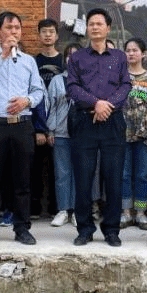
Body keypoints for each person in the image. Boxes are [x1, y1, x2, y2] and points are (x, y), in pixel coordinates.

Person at [0, 11, 45, 245]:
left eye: (17, 28)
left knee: (22, 181)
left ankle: (22, 228)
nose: (14, 32)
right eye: (9, 27)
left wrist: (27, 101)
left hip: (22, 125)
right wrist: (3, 55)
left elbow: (39, 91)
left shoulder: (28, 61)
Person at [66, 8, 131, 247]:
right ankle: (84, 229)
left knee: (113, 178)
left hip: (113, 122)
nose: (94, 27)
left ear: (108, 28)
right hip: (85, 121)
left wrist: (107, 106)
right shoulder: (77, 58)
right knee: (83, 178)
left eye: (99, 23)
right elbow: (72, 87)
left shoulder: (119, 57)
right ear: (87, 29)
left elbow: (126, 85)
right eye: (91, 24)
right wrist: (96, 103)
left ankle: (111, 229)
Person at [120, 38, 147, 231]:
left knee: (142, 175)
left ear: (143, 54)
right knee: (124, 175)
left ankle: (141, 213)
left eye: (135, 50)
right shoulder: (119, 77)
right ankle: (126, 212)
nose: (131, 53)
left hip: (145, 135)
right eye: (128, 50)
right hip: (122, 134)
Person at [32, 18, 63, 219]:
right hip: (38, 120)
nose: (48, 35)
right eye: (44, 31)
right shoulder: (33, 62)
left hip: (59, 124)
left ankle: (55, 207)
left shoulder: (63, 62)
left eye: (51, 31)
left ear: (57, 35)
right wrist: (39, 128)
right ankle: (34, 206)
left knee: (56, 168)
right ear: (39, 35)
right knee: (35, 167)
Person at [47, 43, 80, 228]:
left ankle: (76, 210)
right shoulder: (57, 80)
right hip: (60, 133)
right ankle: (63, 210)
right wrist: (50, 129)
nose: (72, 58)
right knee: (62, 173)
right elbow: (50, 106)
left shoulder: (88, 79)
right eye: (68, 55)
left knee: (79, 173)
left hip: (82, 134)